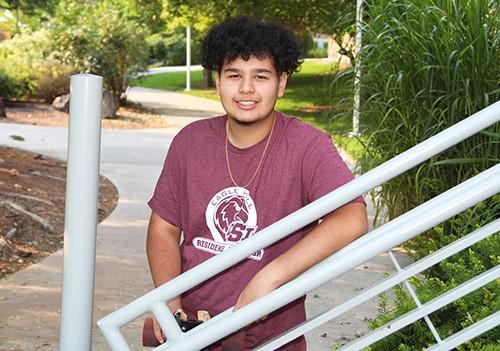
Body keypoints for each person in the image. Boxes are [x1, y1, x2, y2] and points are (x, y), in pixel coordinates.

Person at [146, 16, 368, 350]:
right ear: (218, 80)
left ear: (281, 83)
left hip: (271, 338)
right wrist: (170, 302)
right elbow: (163, 228)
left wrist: (268, 278)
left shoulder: (308, 145)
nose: (246, 88)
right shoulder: (190, 142)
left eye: (260, 76)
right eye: (234, 75)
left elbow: (352, 217)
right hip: (192, 329)